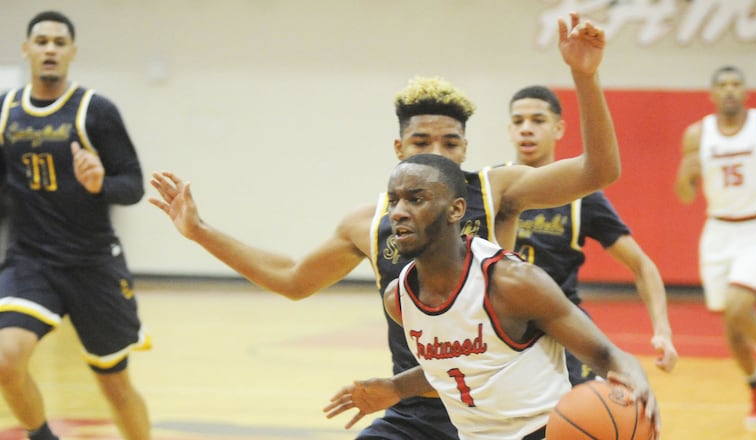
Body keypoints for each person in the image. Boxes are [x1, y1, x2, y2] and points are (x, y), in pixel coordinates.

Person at [151, 12, 618, 440]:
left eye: (450, 142)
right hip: (421, 408)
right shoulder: (370, 222)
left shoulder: (497, 191)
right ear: (398, 148)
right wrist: (200, 231)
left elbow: (598, 171)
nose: (435, 150)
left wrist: (584, 75)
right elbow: (292, 279)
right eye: (421, 141)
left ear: (465, 148)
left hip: (501, 408)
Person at [323, 154, 660, 440]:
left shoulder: (512, 282)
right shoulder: (400, 298)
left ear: (456, 210)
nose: (397, 211)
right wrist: (396, 388)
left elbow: (606, 354)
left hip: (545, 431)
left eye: (416, 199)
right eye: (393, 200)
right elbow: (459, 365)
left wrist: (637, 380)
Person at [0, 11, 150, 440]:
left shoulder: (95, 111)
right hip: (30, 261)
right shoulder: (6, 112)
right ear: (27, 49)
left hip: (92, 263)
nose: (50, 49)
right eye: (42, 41)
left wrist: (101, 183)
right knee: (6, 359)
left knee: (115, 385)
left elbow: (133, 185)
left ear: (72, 52)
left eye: (59, 43)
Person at [503, 85, 678, 385]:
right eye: (518, 122)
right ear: (509, 129)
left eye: (538, 120)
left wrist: (663, 331)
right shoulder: (491, 186)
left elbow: (642, 266)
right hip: (504, 324)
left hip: (561, 323)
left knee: (598, 414)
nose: (527, 130)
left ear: (559, 129)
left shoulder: (581, 195)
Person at [674, 64, 756, 430]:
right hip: (718, 230)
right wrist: (683, 175)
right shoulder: (696, 134)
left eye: (735, 84)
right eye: (722, 85)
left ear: (745, 91)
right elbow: (685, 194)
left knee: (740, 304)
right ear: (711, 94)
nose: (729, 90)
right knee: (732, 325)